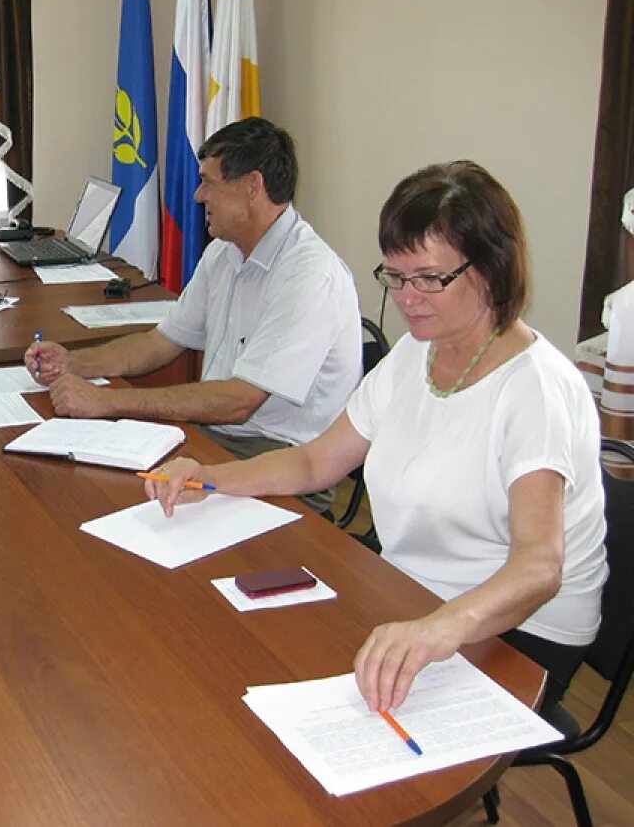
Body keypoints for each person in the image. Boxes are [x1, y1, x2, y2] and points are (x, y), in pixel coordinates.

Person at [146, 161, 608, 715]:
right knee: (244, 658)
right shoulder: (419, 350)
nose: (408, 298)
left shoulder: (535, 389)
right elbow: (319, 462)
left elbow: (539, 566)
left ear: (491, 269)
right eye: (395, 276)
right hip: (412, 591)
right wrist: (209, 477)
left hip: (520, 631)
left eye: (428, 278)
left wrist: (442, 628)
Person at [24, 117, 361, 511]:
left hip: (283, 463)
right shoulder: (224, 250)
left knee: (127, 509)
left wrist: (107, 401)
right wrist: (72, 362)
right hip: (218, 437)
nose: (199, 196)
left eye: (208, 182)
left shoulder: (309, 275)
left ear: (252, 186)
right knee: (88, 488)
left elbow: (239, 401)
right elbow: (160, 343)